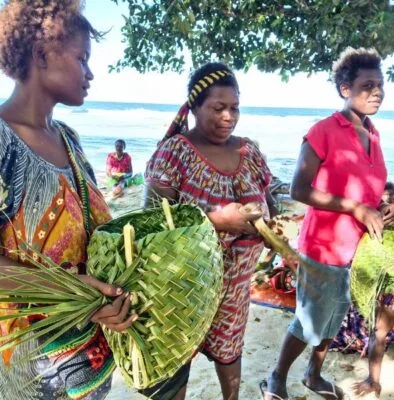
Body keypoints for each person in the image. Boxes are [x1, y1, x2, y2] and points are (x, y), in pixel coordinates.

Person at [0, 1, 135, 398]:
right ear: (42, 54)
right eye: (82, 58)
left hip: (89, 366)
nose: (90, 73)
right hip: (27, 375)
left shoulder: (70, 140)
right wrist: (76, 293)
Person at [143, 62, 278, 400]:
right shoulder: (174, 154)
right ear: (194, 108)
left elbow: (269, 201)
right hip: (183, 287)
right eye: (218, 108)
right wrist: (218, 221)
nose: (228, 117)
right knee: (176, 361)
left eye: (234, 108)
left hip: (236, 288)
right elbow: (150, 225)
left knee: (230, 352)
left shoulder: (250, 152)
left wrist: (271, 227)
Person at [262, 47, 387, 400]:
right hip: (324, 245)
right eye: (367, 85)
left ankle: (313, 376)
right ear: (345, 89)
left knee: (333, 318)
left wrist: (381, 203)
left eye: (381, 84)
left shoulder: (373, 134)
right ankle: (276, 375)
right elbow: (299, 188)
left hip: (357, 249)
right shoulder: (324, 131)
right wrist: (356, 209)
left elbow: (367, 186)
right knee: (310, 320)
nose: (377, 91)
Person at [331, 181, 394, 397]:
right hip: (377, 291)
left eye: (392, 201)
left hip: (385, 288)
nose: (388, 207)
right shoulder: (369, 229)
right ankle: (373, 380)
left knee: (381, 331)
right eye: (383, 201)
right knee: (379, 330)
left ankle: (373, 380)